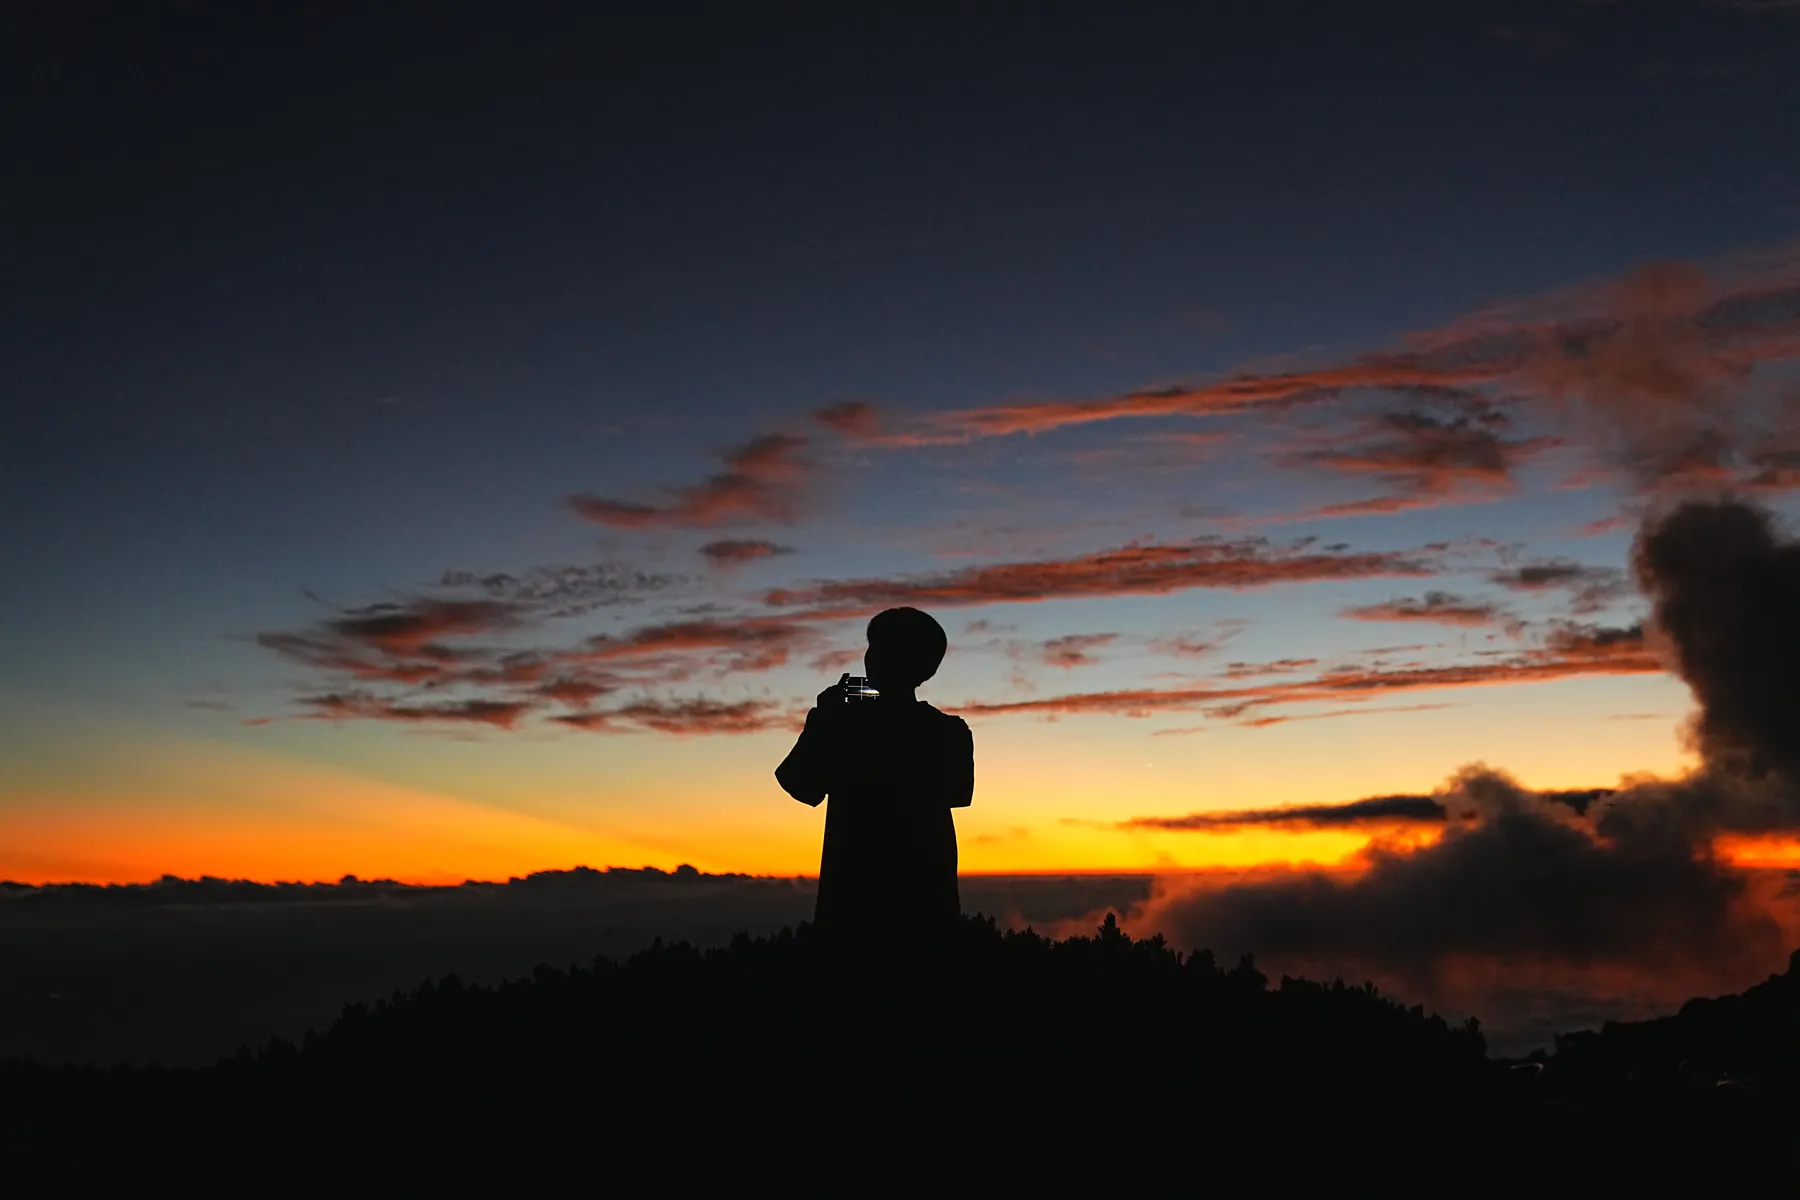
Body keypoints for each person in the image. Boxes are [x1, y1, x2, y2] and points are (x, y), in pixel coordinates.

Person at [776, 606, 974, 955]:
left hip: (851, 904)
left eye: (879, 650)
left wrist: (823, 720)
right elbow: (958, 793)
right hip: (928, 905)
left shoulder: (844, 723)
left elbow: (799, 784)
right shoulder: (950, 732)